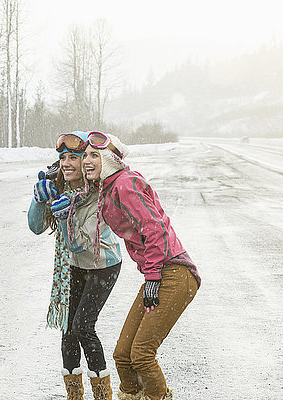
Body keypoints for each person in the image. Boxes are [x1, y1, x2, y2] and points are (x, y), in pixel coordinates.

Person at [81, 132, 201, 400]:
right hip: (159, 273)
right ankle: (133, 396)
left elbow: (154, 228)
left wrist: (153, 276)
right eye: (85, 155)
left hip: (174, 273)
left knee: (142, 355)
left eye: (94, 155)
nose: (86, 160)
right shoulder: (107, 188)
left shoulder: (125, 183)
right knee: (123, 355)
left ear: (110, 160)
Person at [28, 131, 123, 400]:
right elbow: (35, 227)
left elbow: (80, 244)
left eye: (75, 157)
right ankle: (74, 396)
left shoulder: (97, 193)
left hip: (103, 264)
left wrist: (62, 217)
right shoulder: (60, 187)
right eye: (63, 158)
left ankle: (103, 395)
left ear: (87, 162)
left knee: (83, 326)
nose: (67, 163)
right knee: (68, 330)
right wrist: (38, 200)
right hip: (75, 266)